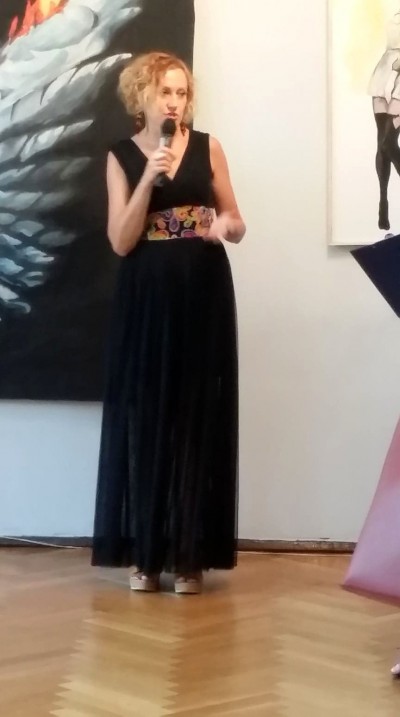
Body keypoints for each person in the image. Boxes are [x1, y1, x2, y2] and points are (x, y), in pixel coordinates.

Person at [91, 51, 246, 595]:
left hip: (203, 291)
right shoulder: (121, 156)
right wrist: (147, 178)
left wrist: (225, 227)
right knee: (148, 417)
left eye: (182, 93)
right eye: (165, 92)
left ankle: (188, 558)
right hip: (147, 296)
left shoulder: (209, 147)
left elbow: (236, 220)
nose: (175, 102)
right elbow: (121, 240)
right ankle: (146, 557)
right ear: (143, 97)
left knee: (196, 417)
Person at [368, 9, 400, 230]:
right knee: (381, 143)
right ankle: (383, 203)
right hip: (384, 71)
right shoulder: (392, 14)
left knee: (389, 142)